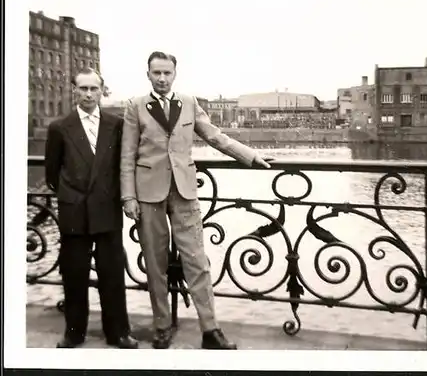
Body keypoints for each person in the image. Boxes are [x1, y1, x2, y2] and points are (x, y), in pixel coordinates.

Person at [121, 51, 272, 350]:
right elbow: (127, 155)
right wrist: (128, 196)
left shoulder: (189, 103)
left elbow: (215, 137)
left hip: (185, 190)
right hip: (148, 193)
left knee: (197, 261)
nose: (162, 78)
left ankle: (210, 329)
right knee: (155, 263)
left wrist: (251, 156)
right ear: (148, 74)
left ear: (175, 74)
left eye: (167, 73)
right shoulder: (135, 106)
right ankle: (162, 326)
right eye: (156, 73)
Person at [45, 68, 138, 349]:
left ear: (101, 90)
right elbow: (52, 174)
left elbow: (123, 166)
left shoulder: (116, 124)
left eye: (93, 89)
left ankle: (118, 332)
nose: (88, 94)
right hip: (75, 211)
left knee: (112, 272)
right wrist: (72, 195)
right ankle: (74, 332)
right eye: (83, 89)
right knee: (74, 274)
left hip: (107, 209)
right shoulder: (60, 127)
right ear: (74, 90)